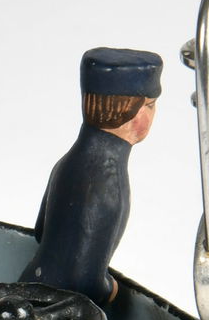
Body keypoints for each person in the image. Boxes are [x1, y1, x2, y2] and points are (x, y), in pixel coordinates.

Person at [20, 47, 162, 305]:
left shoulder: (67, 161)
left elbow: (41, 233)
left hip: (26, 289)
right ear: (136, 115)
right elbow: (83, 278)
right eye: (150, 105)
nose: (153, 113)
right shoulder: (108, 181)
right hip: (60, 314)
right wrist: (110, 290)